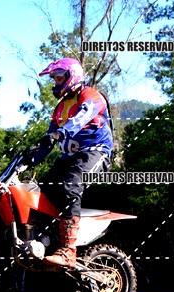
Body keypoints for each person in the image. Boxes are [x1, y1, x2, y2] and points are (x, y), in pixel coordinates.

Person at [25, 57, 114, 269]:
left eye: (58, 78)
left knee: (70, 186)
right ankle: (46, 240)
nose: (55, 83)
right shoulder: (60, 108)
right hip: (70, 158)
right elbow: (48, 140)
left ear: (71, 76)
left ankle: (68, 252)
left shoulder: (91, 95)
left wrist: (60, 133)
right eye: (54, 79)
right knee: (40, 190)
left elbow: (82, 117)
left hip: (96, 153)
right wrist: (30, 158)